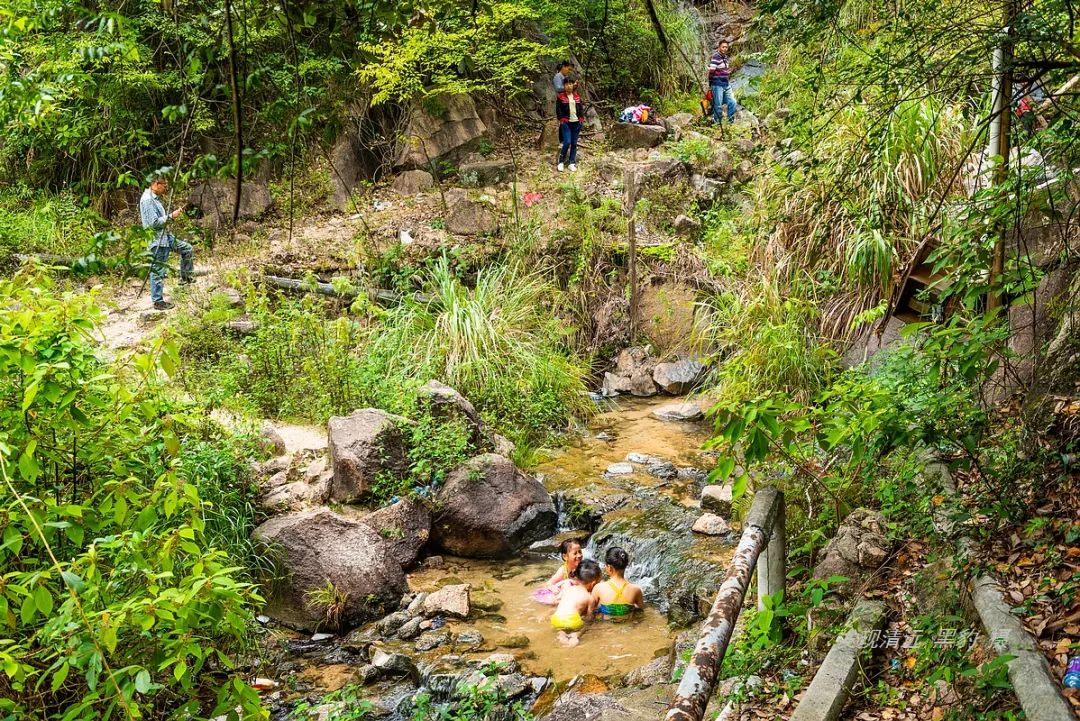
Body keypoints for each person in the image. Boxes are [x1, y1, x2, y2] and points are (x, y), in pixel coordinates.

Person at [139, 175, 194, 310]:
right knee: (158, 270)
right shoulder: (147, 200)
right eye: (164, 185)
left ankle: (185, 279)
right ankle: (158, 301)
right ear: (156, 184)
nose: (166, 188)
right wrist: (171, 216)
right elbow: (153, 223)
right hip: (157, 240)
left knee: (187, 249)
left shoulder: (155, 199)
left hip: (166, 237)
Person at [550, 559, 602, 647]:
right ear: (593, 584)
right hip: (572, 621)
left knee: (562, 629)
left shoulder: (569, 589)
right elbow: (589, 618)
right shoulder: (590, 598)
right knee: (584, 626)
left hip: (556, 619)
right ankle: (575, 636)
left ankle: (561, 635)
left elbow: (560, 603)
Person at [593, 546, 645, 620]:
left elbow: (591, 610)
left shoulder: (598, 588)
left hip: (606, 627)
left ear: (609, 567)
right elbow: (641, 611)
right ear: (625, 565)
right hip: (627, 625)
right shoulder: (636, 589)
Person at [532, 538, 583, 605]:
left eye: (580, 552)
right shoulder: (563, 571)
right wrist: (553, 588)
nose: (579, 555)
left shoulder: (583, 567)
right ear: (565, 557)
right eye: (575, 553)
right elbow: (547, 584)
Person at [555, 78, 585, 172]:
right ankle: (561, 162)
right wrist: (561, 119)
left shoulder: (577, 97)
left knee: (574, 143)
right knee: (567, 142)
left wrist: (581, 119)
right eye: (567, 84)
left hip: (576, 123)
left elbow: (580, 108)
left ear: (573, 85)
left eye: (570, 84)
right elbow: (558, 110)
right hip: (566, 123)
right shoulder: (560, 97)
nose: (569, 86)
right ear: (564, 86)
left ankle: (572, 163)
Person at [708, 40, 737, 125]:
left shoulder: (725, 57)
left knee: (732, 102)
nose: (725, 48)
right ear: (719, 47)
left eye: (726, 47)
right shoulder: (715, 57)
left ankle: (730, 123)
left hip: (726, 84)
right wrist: (711, 84)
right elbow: (711, 71)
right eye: (723, 47)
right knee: (718, 105)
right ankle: (717, 124)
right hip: (717, 85)